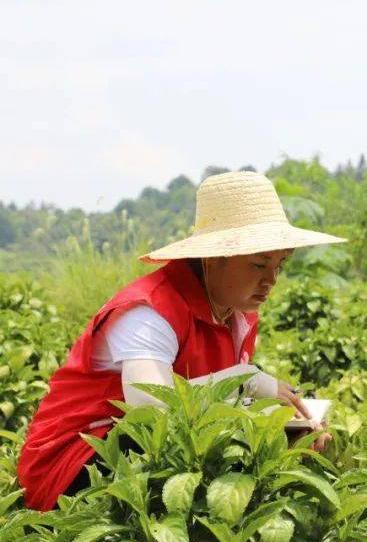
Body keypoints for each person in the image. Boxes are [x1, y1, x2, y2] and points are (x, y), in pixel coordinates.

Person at [18, 171, 345, 511]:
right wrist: (245, 379)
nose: (271, 280)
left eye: (280, 264)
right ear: (212, 258)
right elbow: (148, 408)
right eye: (258, 264)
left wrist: (283, 431)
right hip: (72, 466)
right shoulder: (150, 310)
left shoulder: (238, 312)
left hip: (146, 461)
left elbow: (215, 409)